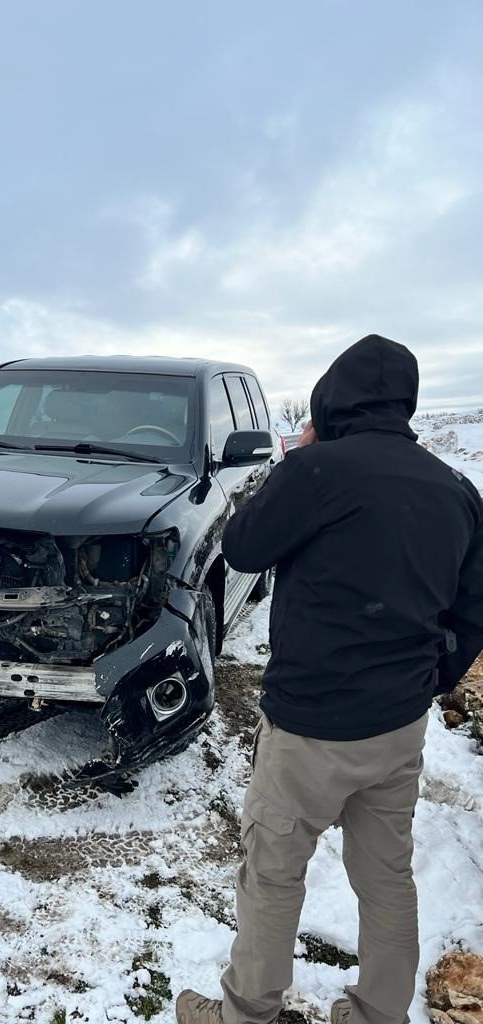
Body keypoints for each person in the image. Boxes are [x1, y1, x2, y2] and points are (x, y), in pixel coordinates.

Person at [176, 335, 483, 1024]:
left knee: (273, 872)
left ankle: (245, 1013)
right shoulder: (456, 489)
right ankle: (377, 1014)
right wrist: (428, 678)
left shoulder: (316, 471)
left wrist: (301, 460)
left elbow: (243, 547)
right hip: (398, 726)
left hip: (309, 724)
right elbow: (474, 608)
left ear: (330, 400)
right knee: (386, 877)